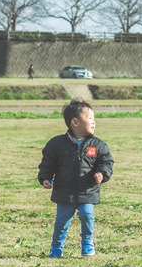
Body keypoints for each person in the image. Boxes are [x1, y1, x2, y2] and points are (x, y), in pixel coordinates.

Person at [37, 99, 114, 257]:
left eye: (94, 118)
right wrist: (45, 177)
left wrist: (102, 173)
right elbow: (47, 163)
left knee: (87, 216)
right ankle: (57, 248)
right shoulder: (57, 144)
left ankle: (87, 243)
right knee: (62, 222)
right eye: (90, 118)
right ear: (75, 122)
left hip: (87, 191)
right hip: (64, 192)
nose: (94, 122)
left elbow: (106, 162)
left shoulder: (98, 145)